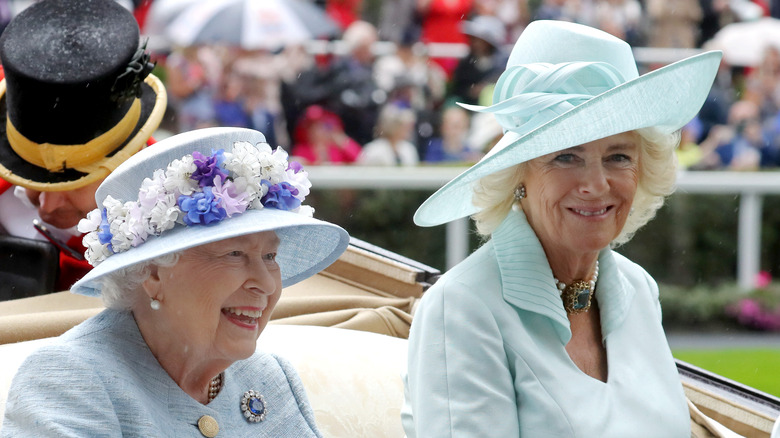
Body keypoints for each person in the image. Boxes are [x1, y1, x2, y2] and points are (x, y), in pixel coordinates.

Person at [402, 20, 722, 436]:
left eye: (619, 157)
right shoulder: (462, 308)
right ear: (518, 174)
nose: (596, 184)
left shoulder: (639, 289)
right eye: (567, 157)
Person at [1, 127, 349, 436]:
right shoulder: (68, 381)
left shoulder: (270, 376)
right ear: (153, 274)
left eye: (269, 257)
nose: (267, 284)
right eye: (234, 255)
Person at [0, 0, 166, 294]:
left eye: (75, 182)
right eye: (31, 178)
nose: (47, 207)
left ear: (130, 158)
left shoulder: (174, 213)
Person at [290, 105, 361, 165]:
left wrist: (341, 139)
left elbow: (359, 159)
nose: (318, 131)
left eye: (323, 125)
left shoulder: (336, 149)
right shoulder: (301, 149)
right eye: (313, 127)